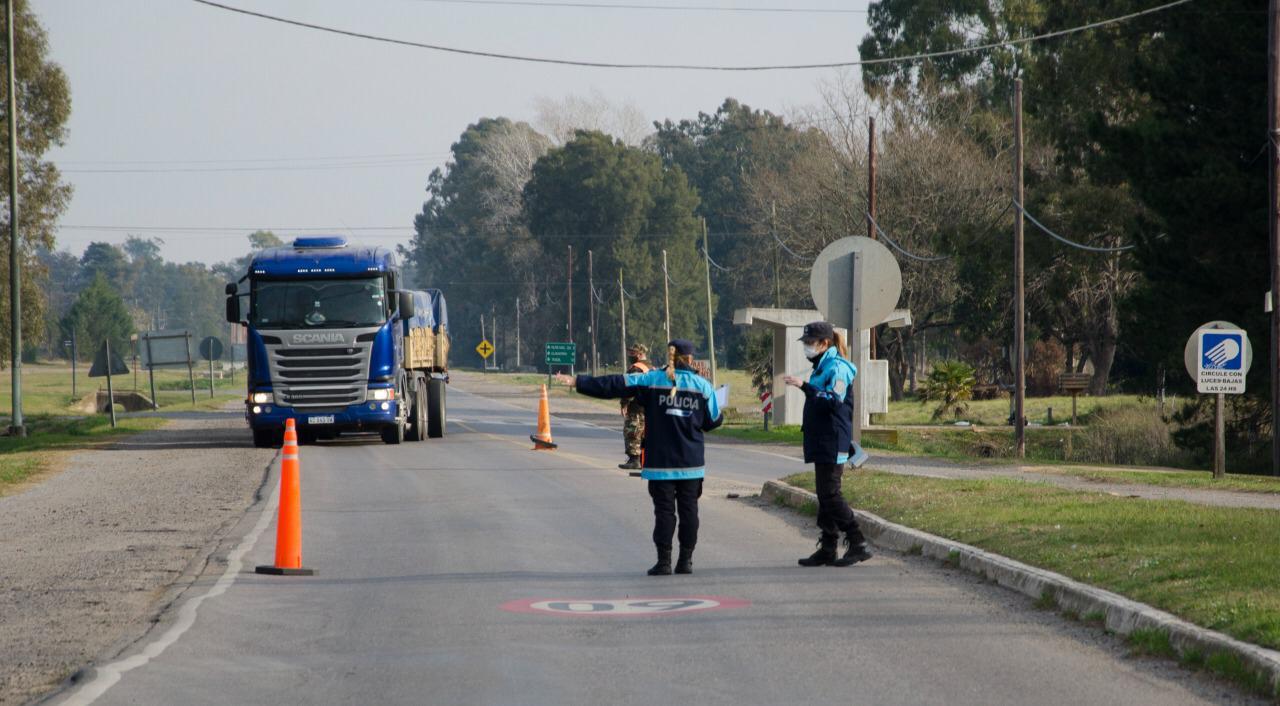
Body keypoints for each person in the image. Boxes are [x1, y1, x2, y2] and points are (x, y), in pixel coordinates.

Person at [556, 339, 722, 576]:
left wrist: (578, 381)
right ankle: (685, 561)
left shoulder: (651, 380)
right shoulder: (703, 387)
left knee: (664, 513)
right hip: (691, 464)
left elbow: (615, 384)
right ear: (691, 359)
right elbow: (714, 421)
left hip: (659, 464)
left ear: (670, 356)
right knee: (689, 512)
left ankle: (664, 562)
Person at [782, 321, 872, 568]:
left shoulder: (838, 368)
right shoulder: (821, 366)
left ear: (824, 343)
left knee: (830, 494)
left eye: (811, 343)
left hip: (833, 438)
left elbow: (832, 400)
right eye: (806, 343)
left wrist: (804, 386)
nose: (807, 348)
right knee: (824, 495)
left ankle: (858, 542)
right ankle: (829, 547)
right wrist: (807, 387)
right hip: (821, 438)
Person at [618, 343, 652, 470]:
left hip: (636, 407)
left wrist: (624, 403)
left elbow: (631, 387)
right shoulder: (650, 367)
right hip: (648, 407)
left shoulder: (636, 368)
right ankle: (644, 461)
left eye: (632, 353)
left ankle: (634, 460)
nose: (629, 355)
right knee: (644, 434)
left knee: (632, 432)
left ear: (640, 354)